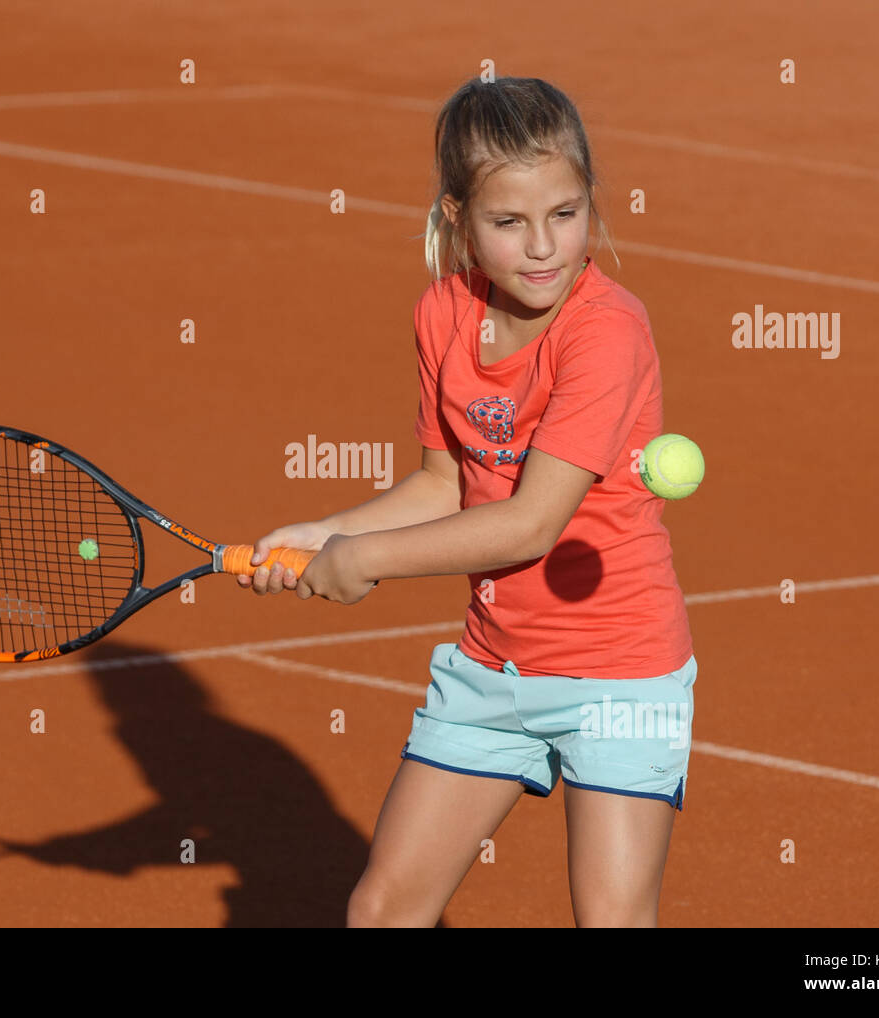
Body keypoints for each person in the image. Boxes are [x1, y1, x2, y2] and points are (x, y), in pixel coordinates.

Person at [237, 76, 697, 928]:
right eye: (508, 223)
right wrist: (323, 530)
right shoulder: (444, 314)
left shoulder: (607, 330)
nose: (544, 248)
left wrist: (360, 560)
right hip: (492, 670)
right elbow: (442, 483)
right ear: (458, 218)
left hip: (620, 673)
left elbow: (530, 522)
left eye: (565, 213)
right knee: (381, 910)